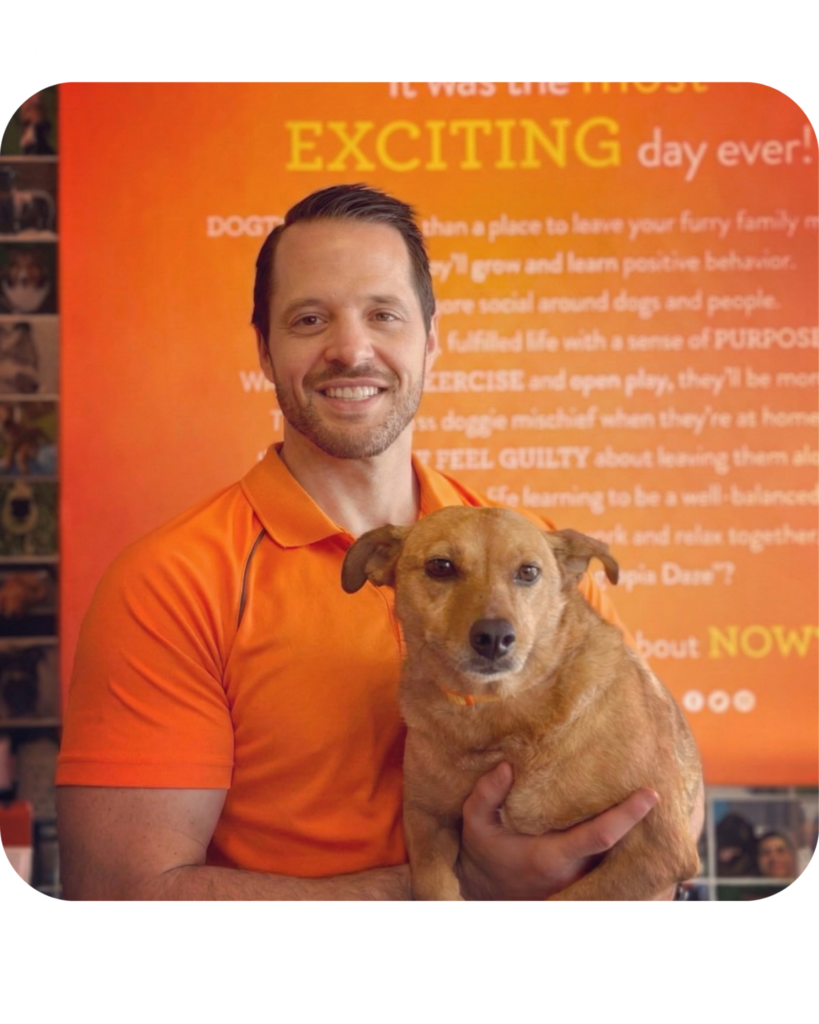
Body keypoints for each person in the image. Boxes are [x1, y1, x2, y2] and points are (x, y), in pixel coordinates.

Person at [56, 183, 702, 900]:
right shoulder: (171, 581)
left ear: (429, 339)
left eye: (383, 314)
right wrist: (453, 890)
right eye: (308, 319)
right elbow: (120, 899)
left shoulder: (537, 560)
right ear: (265, 352)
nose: (350, 348)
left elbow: (650, 843)